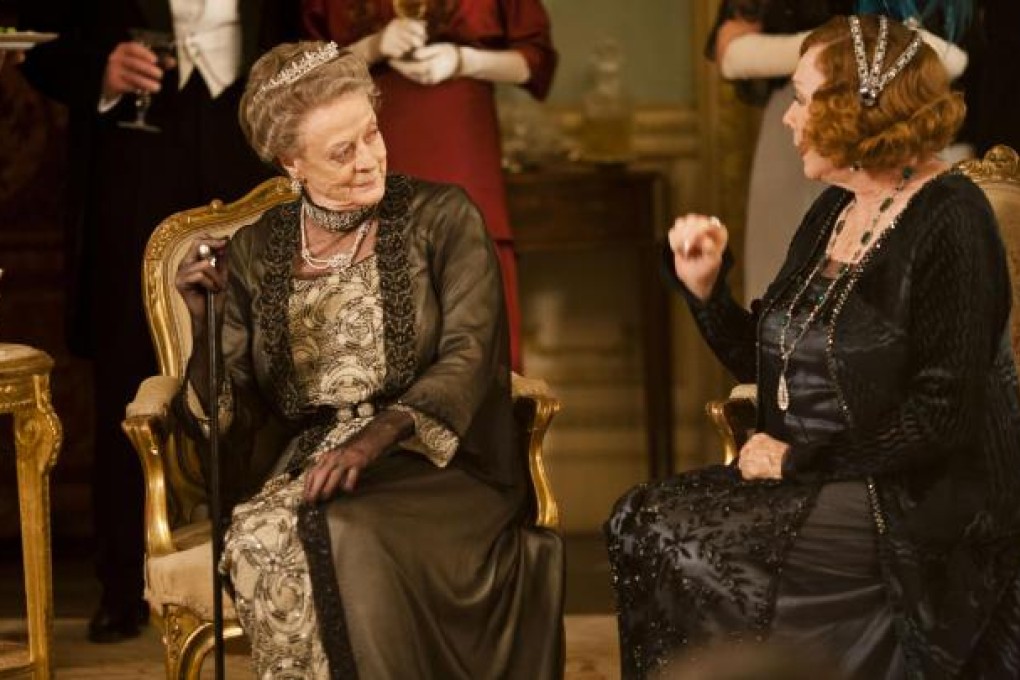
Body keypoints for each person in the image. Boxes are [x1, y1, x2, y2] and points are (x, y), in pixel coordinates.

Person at [606, 15, 1020, 679]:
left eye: (802, 99)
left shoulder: (953, 219)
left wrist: (802, 458)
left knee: (682, 537)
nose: (788, 119)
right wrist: (707, 291)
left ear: (861, 111)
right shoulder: (832, 210)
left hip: (913, 496)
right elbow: (772, 365)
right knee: (640, 517)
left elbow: (943, 414)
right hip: (822, 474)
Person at [173, 41, 563, 678]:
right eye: (341, 152)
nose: (369, 161)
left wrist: (374, 438)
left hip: (441, 464)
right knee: (261, 533)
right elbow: (224, 420)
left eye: (372, 134)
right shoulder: (253, 253)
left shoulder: (444, 218)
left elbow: (470, 356)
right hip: (309, 467)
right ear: (289, 162)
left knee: (349, 533)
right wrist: (202, 322)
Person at [11, 0, 299, 643]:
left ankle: (265, 572)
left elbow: (304, 33)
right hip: (132, 161)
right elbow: (36, 45)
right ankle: (122, 584)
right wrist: (101, 72)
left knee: (261, 357)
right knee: (128, 366)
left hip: (245, 150)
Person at [301, 0, 558, 371]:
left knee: (473, 294)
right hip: (368, 134)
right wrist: (373, 48)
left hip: (461, 139)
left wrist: (463, 60)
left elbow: (535, 59)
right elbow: (305, 70)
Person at [706, 1, 969, 303]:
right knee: (784, 292)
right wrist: (838, 53)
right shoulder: (796, 114)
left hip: (905, 121)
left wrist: (919, 56)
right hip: (806, 122)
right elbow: (732, 54)